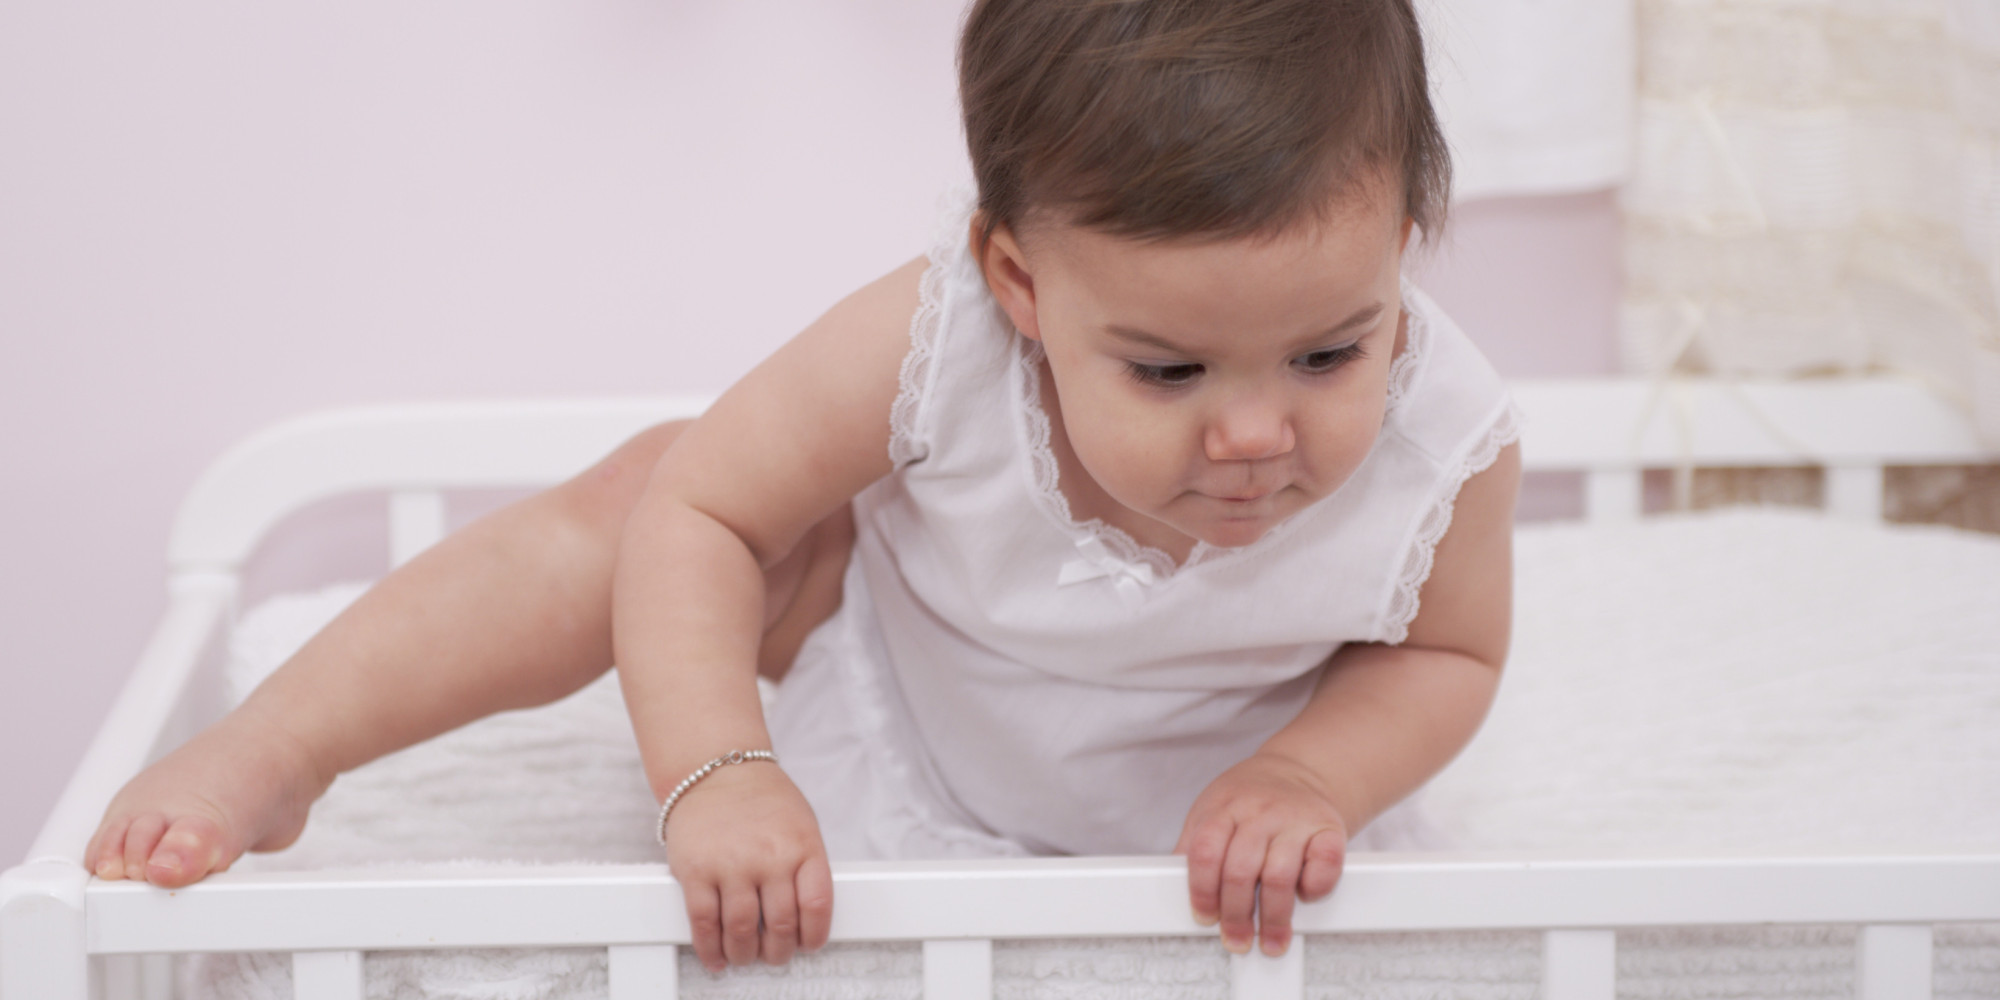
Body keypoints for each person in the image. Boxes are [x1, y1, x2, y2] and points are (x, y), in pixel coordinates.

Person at [85, 0, 1522, 975]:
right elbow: (702, 513)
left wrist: (1309, 776)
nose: (1258, 435)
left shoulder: (1446, 439)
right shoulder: (938, 337)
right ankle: (284, 747)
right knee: (656, 487)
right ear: (1018, 281)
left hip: (1231, 796)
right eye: (1167, 373)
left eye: (1330, 351)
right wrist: (721, 767)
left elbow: (1450, 649)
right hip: (903, 696)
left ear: (1401, 242)